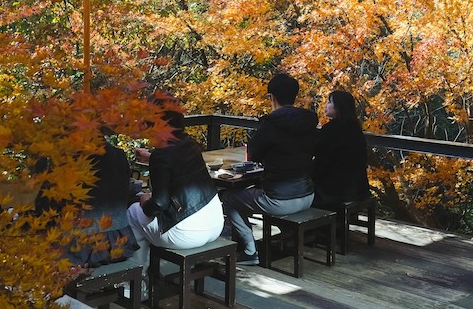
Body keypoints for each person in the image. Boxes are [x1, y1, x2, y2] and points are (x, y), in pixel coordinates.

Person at [126, 98, 223, 295]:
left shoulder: (161, 156)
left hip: (187, 233)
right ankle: (144, 276)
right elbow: (175, 162)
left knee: (133, 213)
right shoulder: (190, 144)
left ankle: (136, 283)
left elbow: (159, 203)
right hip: (215, 222)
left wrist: (145, 201)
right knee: (144, 213)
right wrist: (151, 157)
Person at [220, 72, 318, 265]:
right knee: (246, 195)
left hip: (280, 200)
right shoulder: (308, 123)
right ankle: (276, 240)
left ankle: (249, 250)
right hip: (308, 195)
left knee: (228, 197)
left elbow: (254, 155)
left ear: (271, 97)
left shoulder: (271, 124)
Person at [34, 128, 139, 269]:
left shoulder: (65, 159)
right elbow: (125, 192)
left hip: (77, 247)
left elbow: (45, 208)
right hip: (118, 240)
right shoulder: (119, 156)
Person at [312, 90, 370, 208]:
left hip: (336, 191)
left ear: (339, 106)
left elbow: (321, 163)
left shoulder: (330, 130)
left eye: (329, 102)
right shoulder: (355, 128)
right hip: (359, 187)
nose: (325, 105)